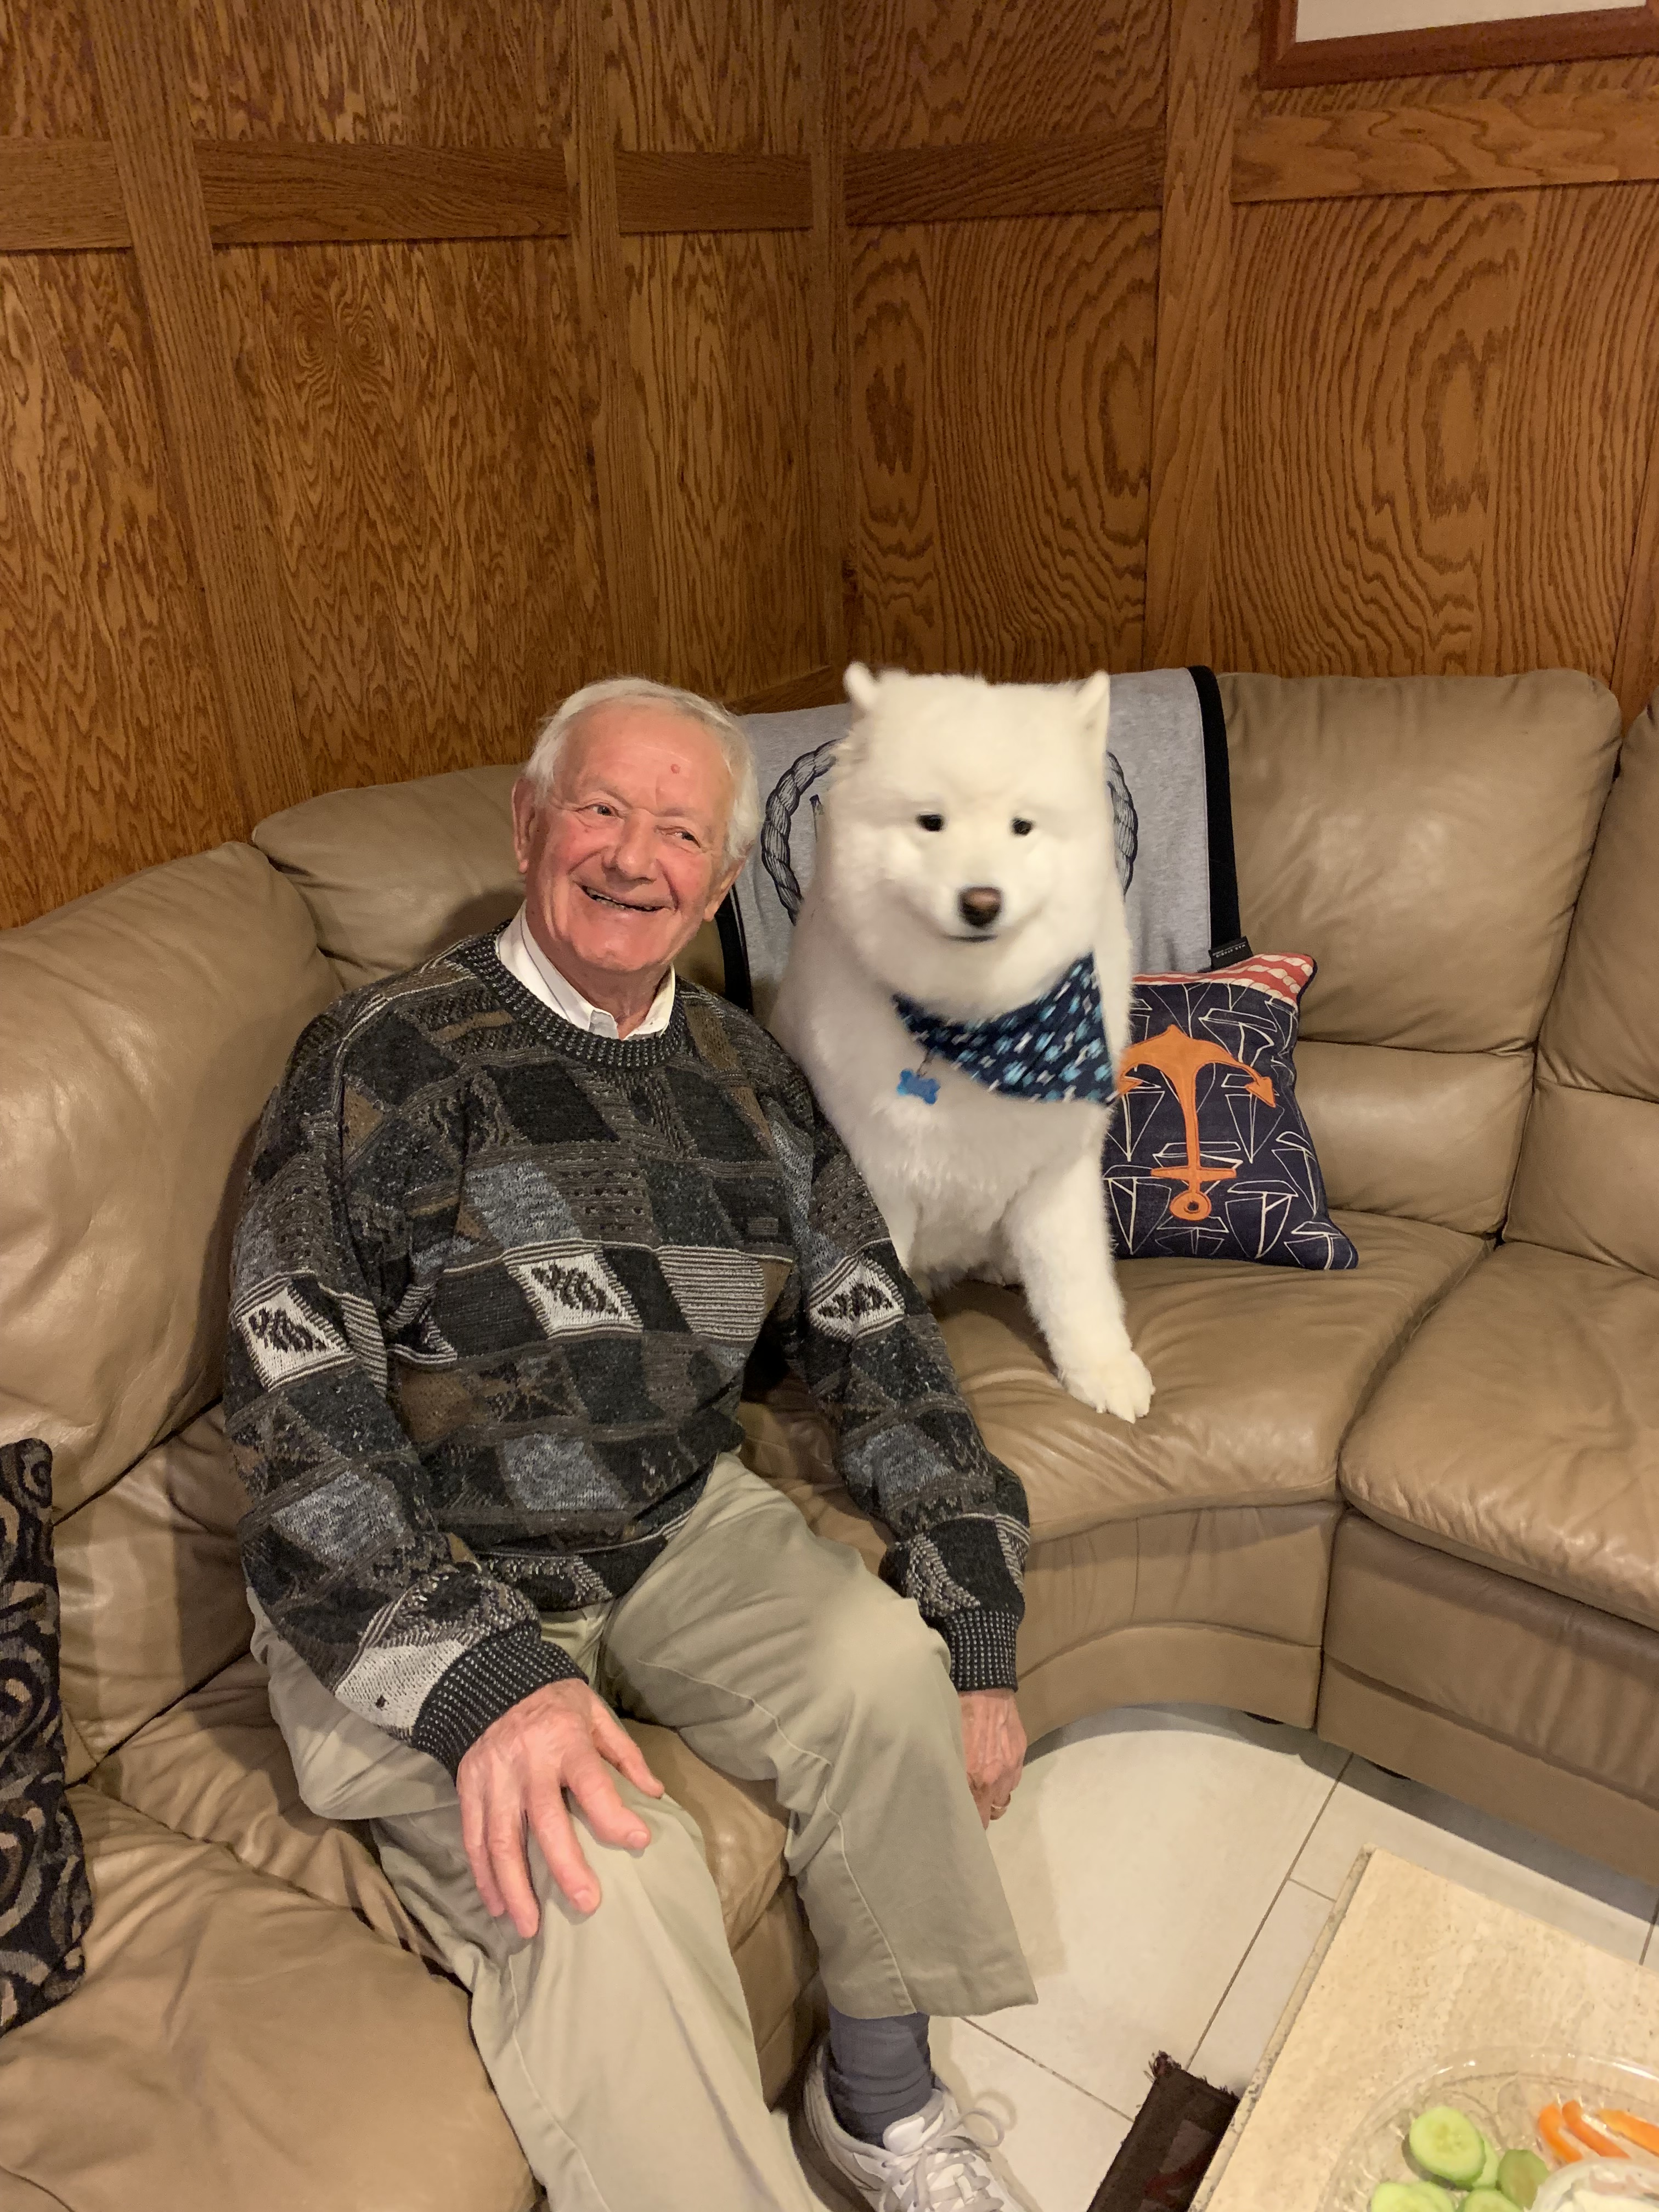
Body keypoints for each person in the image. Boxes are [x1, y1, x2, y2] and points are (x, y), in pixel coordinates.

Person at [225, 676, 1038, 2212]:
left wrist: (973, 1604)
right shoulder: (383, 1058)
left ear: (720, 882)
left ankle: (884, 2108)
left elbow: (873, 1331)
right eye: (600, 809)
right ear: (530, 824)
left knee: (889, 1674)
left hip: (668, 1519)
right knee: (607, 1871)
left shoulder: (750, 1081)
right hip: (419, 1574)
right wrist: (484, 1678)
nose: (632, 857)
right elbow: (294, 1391)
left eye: (678, 832)